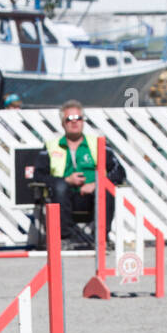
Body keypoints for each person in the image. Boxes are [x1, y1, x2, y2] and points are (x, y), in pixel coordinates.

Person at [32, 100, 125, 247]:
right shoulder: (51, 146)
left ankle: (101, 239)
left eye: (78, 119)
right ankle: (65, 238)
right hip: (63, 196)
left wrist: (96, 184)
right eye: (69, 119)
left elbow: (119, 172)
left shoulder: (98, 144)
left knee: (106, 189)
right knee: (60, 187)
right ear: (63, 123)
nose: (74, 123)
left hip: (93, 195)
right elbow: (38, 175)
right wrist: (65, 180)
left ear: (84, 122)